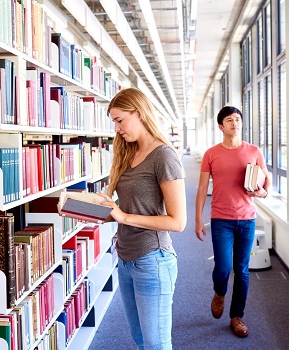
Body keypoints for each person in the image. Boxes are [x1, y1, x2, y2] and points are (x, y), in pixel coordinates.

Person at [97, 87, 187, 350]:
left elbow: (177, 222)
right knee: (139, 340)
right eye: (114, 122)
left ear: (138, 113)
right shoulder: (128, 153)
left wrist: (123, 217)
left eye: (119, 120)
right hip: (124, 259)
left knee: (156, 344)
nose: (116, 129)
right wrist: (91, 211)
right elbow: (125, 208)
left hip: (153, 260)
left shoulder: (164, 156)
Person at [194, 106, 271, 338]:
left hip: (247, 218)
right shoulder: (211, 154)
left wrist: (263, 193)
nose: (235, 123)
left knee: (242, 269)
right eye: (229, 120)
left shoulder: (254, 151)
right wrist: (198, 219)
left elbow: (267, 180)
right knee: (224, 267)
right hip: (220, 219)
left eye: (237, 119)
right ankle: (219, 292)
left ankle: (236, 316)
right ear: (221, 126)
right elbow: (200, 188)